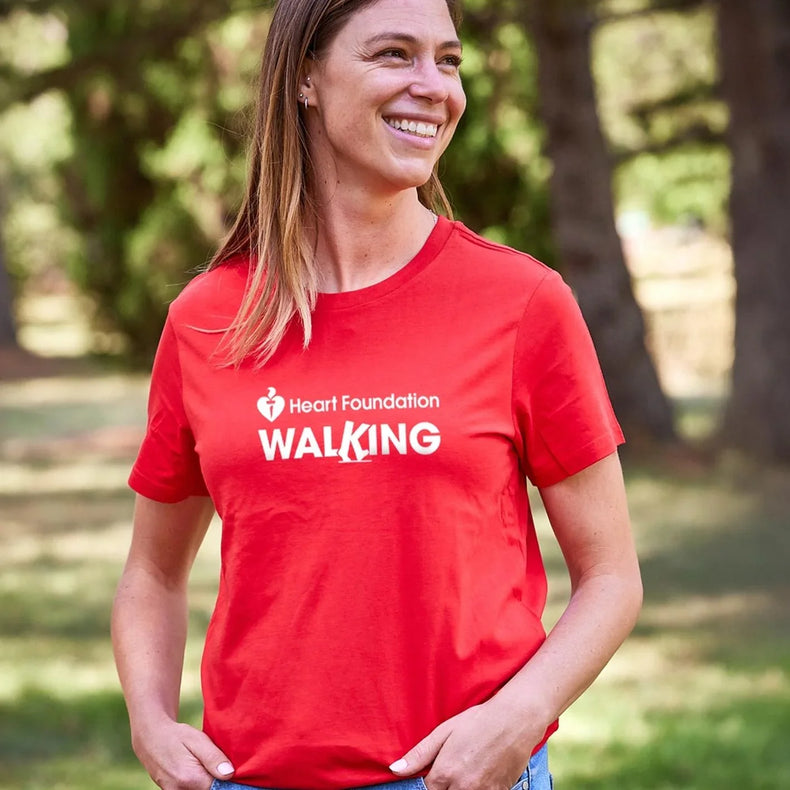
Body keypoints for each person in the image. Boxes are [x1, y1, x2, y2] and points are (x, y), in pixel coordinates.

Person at [111, 0, 643, 788]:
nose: (434, 86)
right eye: (394, 54)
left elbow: (612, 576)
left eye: (449, 60)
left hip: (458, 777)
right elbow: (152, 572)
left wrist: (518, 716)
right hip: (249, 777)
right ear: (305, 79)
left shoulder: (523, 302)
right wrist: (150, 722)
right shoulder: (207, 318)